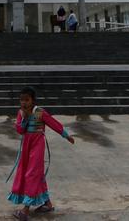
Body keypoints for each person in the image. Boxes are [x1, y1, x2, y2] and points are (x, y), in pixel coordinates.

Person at [9, 86, 75, 219]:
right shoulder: (21, 113)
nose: (24, 103)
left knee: (32, 174)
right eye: (21, 100)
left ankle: (26, 210)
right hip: (26, 147)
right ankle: (48, 204)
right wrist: (24, 119)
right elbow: (20, 130)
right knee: (36, 174)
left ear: (33, 100)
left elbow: (53, 123)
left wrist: (66, 135)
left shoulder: (39, 112)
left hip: (37, 147)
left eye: (27, 100)